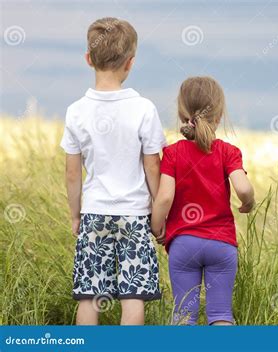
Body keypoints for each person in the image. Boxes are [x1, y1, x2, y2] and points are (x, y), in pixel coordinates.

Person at [60, 17, 166, 325]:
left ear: (88, 59)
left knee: (90, 295)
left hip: (94, 211)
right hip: (135, 214)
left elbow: (71, 172)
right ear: (130, 63)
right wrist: (158, 211)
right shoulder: (143, 108)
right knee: (133, 294)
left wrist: (75, 215)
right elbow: (152, 165)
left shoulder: (76, 111)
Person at [151, 76, 255, 325]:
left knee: (184, 316)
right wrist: (248, 202)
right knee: (221, 315)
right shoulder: (228, 152)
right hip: (222, 245)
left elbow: (164, 196)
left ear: (181, 114)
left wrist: (157, 228)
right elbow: (242, 187)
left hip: (184, 244)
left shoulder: (173, 153)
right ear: (219, 116)